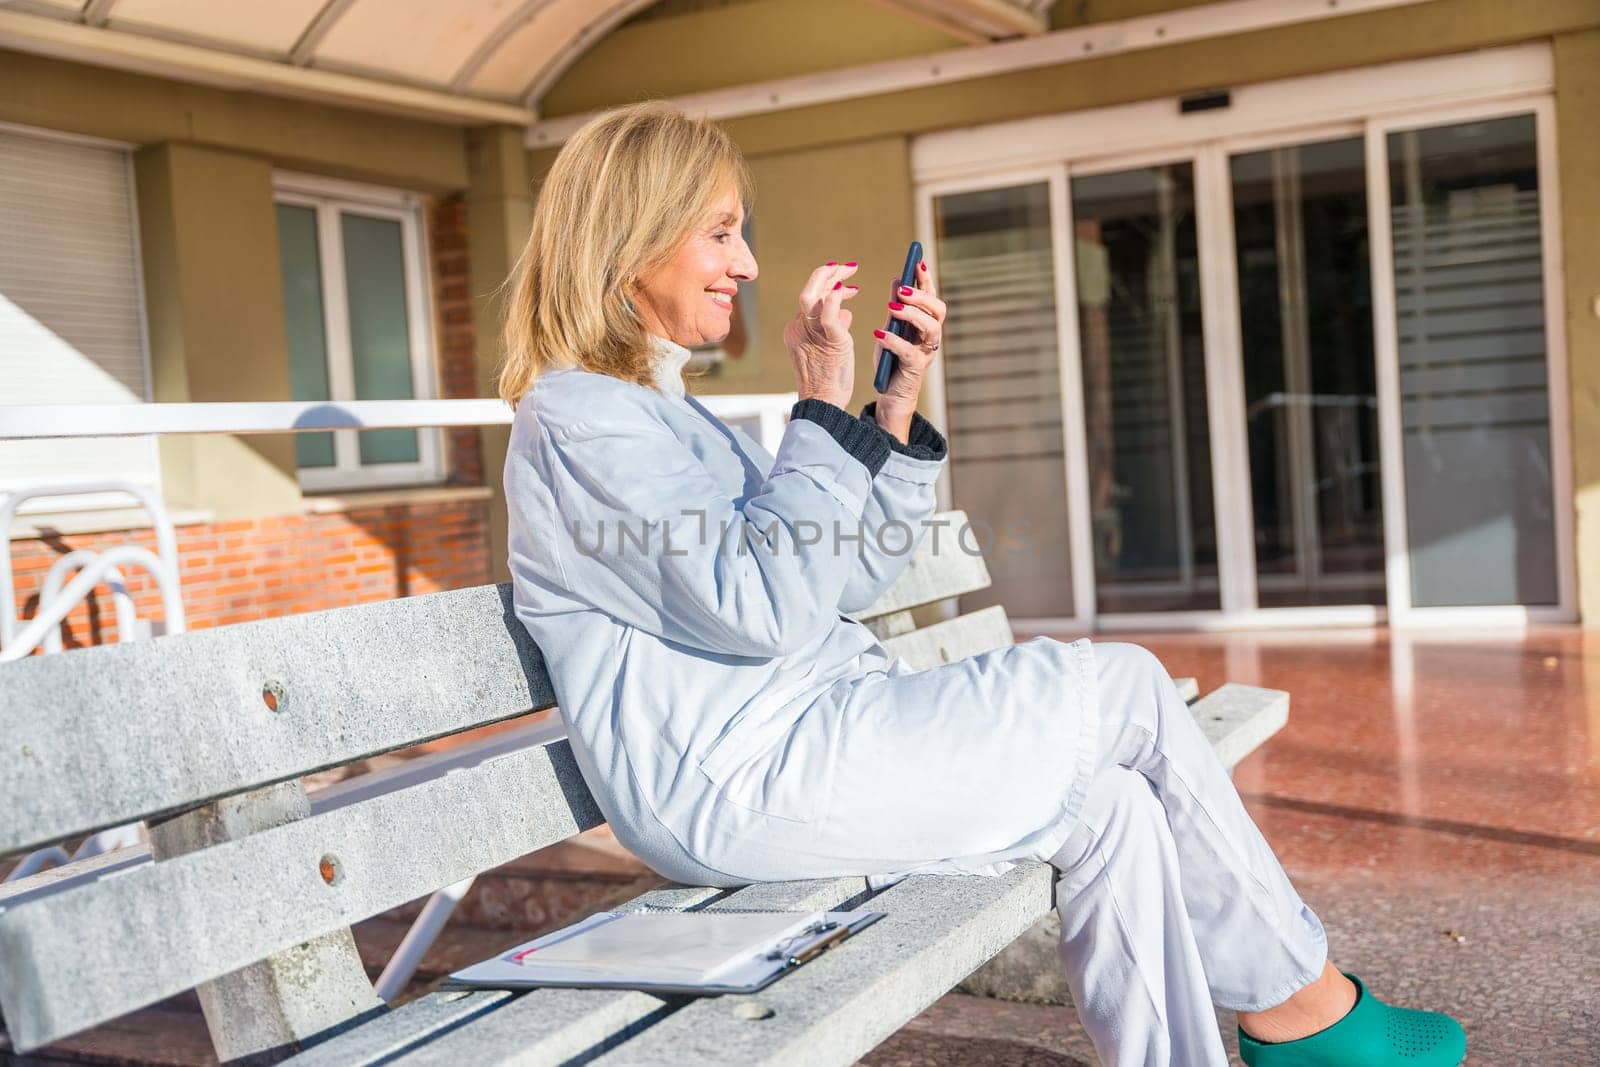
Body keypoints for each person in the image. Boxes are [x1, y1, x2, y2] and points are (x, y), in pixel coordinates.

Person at [498, 101, 1466, 1067]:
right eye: (720, 231)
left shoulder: (657, 410)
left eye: (738, 230)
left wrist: (889, 405)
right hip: (741, 778)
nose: (747, 262)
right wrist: (817, 412)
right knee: (1123, 684)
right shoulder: (581, 420)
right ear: (630, 238)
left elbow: (847, 580)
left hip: (810, 734)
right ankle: (1303, 1009)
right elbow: (765, 605)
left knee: (1115, 808)